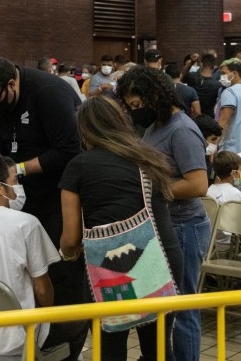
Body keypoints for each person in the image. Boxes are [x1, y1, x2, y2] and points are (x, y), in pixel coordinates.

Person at [0, 55, 86, 357]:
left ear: (12, 83)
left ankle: (68, 344)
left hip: (56, 195)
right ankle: (34, 334)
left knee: (61, 273)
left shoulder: (49, 93)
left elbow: (67, 151)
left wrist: (18, 170)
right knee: (27, 268)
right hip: (17, 197)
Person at [59, 97, 184, 361]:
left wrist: (68, 256)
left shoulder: (78, 167)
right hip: (161, 260)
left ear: (84, 130)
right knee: (159, 349)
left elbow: (71, 237)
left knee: (111, 348)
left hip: (109, 270)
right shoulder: (149, 158)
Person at [0, 154, 87, 358]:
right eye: (15, 180)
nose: (18, 187)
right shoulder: (25, 224)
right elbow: (42, 290)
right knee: (81, 319)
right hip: (20, 338)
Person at [117, 66, 208, 361]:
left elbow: (198, 184)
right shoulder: (157, 126)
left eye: (137, 105)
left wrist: (153, 190)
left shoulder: (181, 129)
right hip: (164, 225)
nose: (135, 112)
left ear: (153, 95)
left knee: (182, 308)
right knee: (166, 305)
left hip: (184, 226)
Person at [185, 53, 221, 118]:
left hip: (192, 118)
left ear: (201, 65)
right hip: (208, 119)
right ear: (214, 67)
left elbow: (183, 76)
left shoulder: (192, 77)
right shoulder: (217, 85)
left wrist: (191, 62)